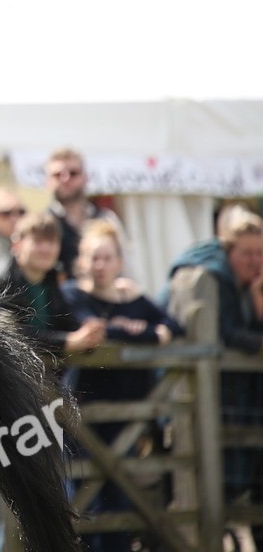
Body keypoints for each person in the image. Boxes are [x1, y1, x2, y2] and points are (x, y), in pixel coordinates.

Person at [63, 221, 181, 552]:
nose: (99, 265)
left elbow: (173, 326)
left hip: (128, 415)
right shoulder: (73, 293)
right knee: (85, 502)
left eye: (106, 258)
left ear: (119, 261)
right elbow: (96, 329)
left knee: (121, 501)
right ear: (82, 261)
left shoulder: (134, 297)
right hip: (85, 414)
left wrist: (136, 319)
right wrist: (143, 331)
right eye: (93, 258)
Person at [165, 206, 263, 544]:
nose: (255, 261)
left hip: (229, 401)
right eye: (247, 253)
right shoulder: (210, 276)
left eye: (260, 253)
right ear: (228, 250)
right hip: (192, 401)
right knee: (203, 489)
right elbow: (225, 334)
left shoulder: (245, 284)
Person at [0, 211, 106, 360]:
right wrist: (66, 342)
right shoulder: (0, 283)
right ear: (17, 244)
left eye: (52, 242)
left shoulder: (52, 282)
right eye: (38, 241)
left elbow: (68, 327)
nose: (46, 249)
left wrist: (88, 335)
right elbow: (12, 334)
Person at [44, 148, 129, 279]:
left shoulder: (106, 219)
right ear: (48, 181)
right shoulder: (44, 223)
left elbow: (125, 265)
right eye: (57, 174)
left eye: (73, 173)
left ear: (85, 178)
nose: (65, 179)